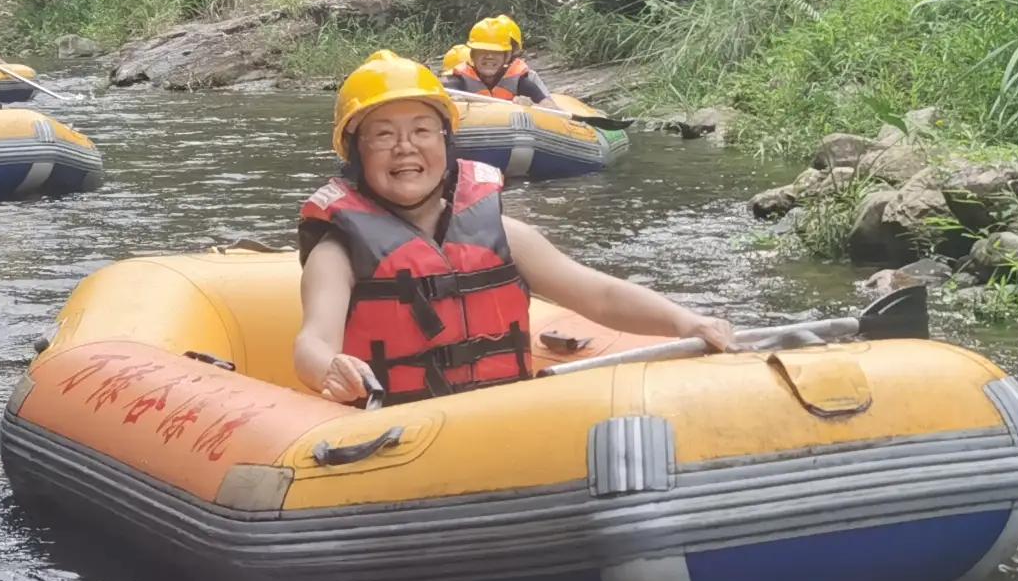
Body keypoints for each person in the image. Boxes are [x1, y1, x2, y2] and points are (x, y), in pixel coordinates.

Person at [294, 52, 728, 405]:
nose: (405, 147)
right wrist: (329, 369)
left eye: (422, 130)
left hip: (502, 423)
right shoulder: (337, 253)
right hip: (399, 433)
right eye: (383, 136)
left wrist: (686, 322)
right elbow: (314, 340)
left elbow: (599, 295)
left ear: (446, 143)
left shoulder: (506, 234)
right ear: (356, 154)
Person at [441, 15, 551, 103]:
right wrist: (453, 101)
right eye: (482, 50)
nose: (489, 56)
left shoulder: (520, 82)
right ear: (473, 55)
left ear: (506, 57)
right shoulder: (457, 81)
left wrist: (531, 106)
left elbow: (550, 108)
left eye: (496, 52)